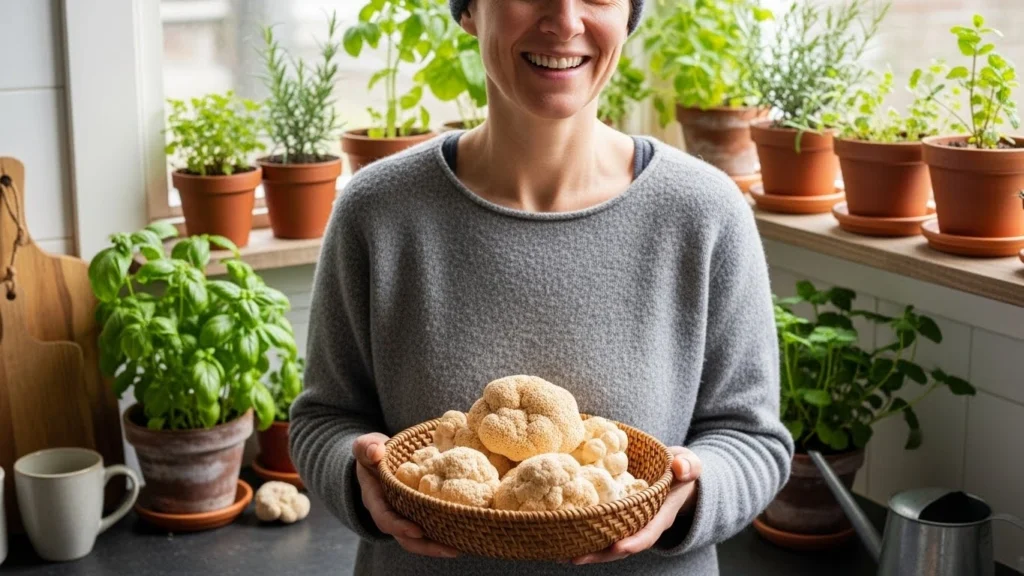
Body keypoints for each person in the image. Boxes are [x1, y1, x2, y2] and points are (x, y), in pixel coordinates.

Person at [289, 0, 794, 574]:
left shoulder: (704, 213)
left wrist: (691, 493)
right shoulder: (378, 212)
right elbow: (324, 419)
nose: (565, 20)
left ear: (629, 15)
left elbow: (753, 439)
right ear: (469, 11)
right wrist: (357, 480)